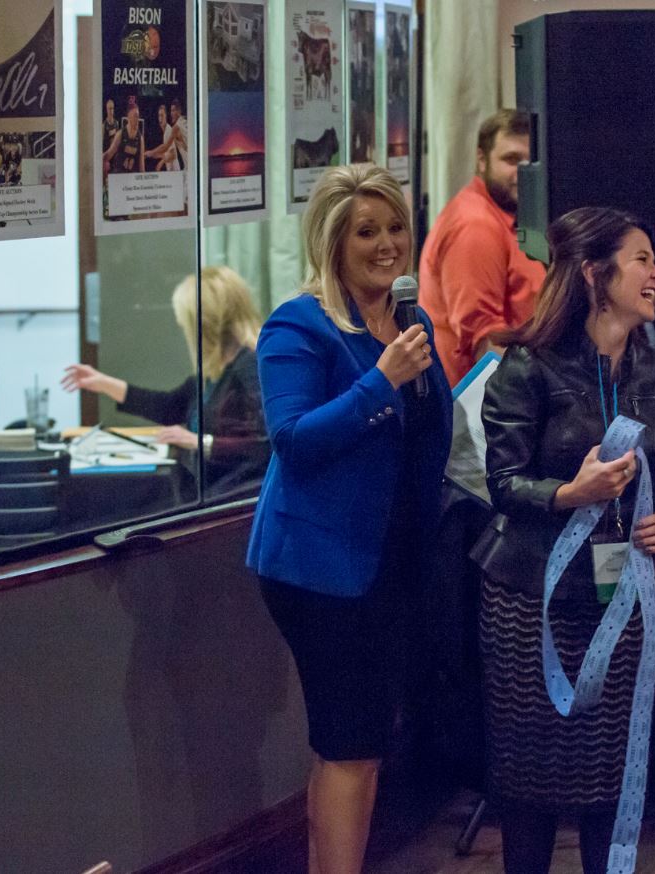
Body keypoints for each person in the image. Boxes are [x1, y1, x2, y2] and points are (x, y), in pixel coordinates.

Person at [246, 164, 451, 874]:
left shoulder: (412, 320)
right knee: (351, 744)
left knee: (363, 745)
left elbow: (426, 435)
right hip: (319, 569)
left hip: (391, 562)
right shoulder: (297, 325)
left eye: (395, 227)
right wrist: (380, 379)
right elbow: (295, 441)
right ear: (333, 243)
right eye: (367, 231)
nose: (387, 243)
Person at [473, 207, 655, 874]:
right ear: (596, 274)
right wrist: (570, 494)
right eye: (642, 260)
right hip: (526, 598)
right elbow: (503, 485)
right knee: (528, 781)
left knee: (610, 777)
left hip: (620, 600)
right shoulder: (526, 369)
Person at [61, 266, 269, 494]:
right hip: (209, 487)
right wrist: (103, 383)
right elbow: (172, 406)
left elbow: (264, 446)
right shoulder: (218, 369)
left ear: (203, 325)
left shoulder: (250, 366)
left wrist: (199, 441)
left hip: (228, 498)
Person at [419, 109, 547, 386]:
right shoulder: (475, 226)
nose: (521, 172)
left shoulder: (510, 215)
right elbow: (486, 344)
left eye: (529, 161)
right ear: (482, 160)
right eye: (511, 159)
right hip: (488, 408)